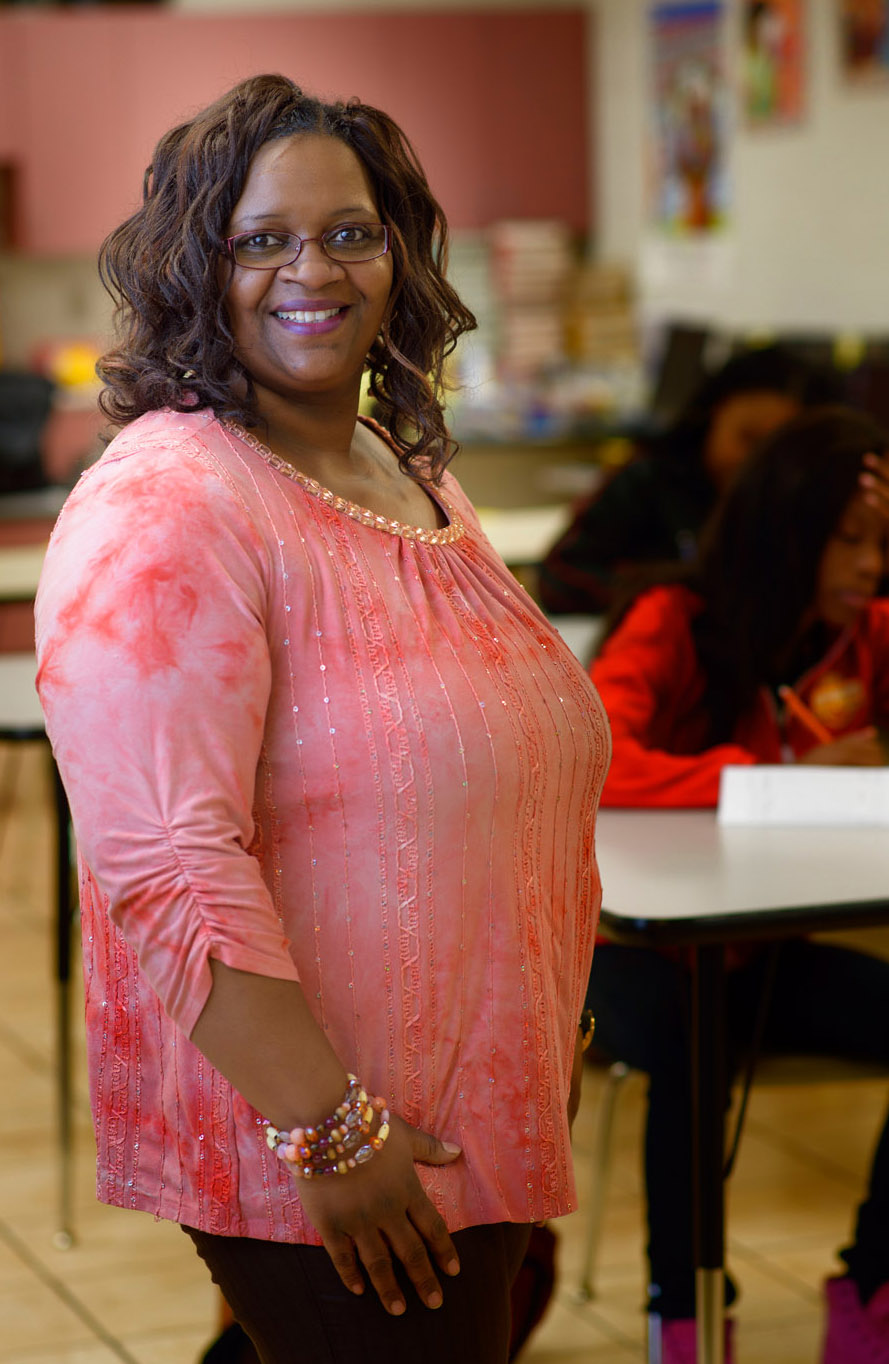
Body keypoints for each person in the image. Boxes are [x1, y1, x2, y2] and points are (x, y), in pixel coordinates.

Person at [34, 74, 611, 1364]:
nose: (316, 268)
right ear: (199, 266)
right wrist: (330, 1130)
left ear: (399, 249)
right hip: (324, 1134)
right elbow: (166, 862)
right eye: (263, 239)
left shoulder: (403, 468)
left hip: (465, 1096)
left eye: (351, 231)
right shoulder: (171, 503)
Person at [587, 406, 889, 1364]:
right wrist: (771, 785)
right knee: (689, 1052)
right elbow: (595, 759)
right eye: (849, 542)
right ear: (786, 529)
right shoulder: (674, 620)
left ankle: (870, 1289)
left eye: (882, 543)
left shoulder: (867, 636)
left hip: (760, 945)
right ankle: (682, 1315)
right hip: (630, 955)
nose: (870, 566)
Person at [539, 343, 838, 617]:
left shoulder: (807, 505)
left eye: (777, 452)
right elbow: (559, 577)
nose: (754, 464)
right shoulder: (647, 481)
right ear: (712, 416)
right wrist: (672, 599)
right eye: (747, 438)